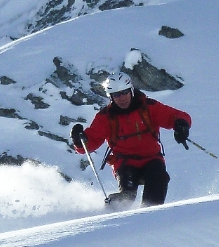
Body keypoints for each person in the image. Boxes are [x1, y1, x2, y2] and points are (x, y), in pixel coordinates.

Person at [71, 72, 191, 206]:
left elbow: (175, 116)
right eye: (116, 95)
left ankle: (150, 215)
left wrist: (181, 125)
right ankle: (113, 214)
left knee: (159, 179)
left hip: (152, 158)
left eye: (124, 92)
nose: (121, 98)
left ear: (131, 90)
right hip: (124, 162)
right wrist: (78, 140)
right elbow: (89, 144)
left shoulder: (148, 107)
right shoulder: (105, 117)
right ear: (111, 97)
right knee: (127, 195)